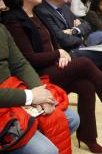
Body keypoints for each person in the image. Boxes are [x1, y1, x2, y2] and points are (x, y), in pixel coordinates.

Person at [2, 0, 102, 153]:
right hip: (37, 73)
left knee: (86, 85)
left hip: (54, 63)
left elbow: (56, 39)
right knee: (84, 63)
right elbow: (28, 58)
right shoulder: (14, 20)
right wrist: (58, 53)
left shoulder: (37, 12)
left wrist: (60, 53)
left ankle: (88, 136)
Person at [0, 23, 80, 154]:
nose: (3, 6)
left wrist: (40, 94)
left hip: (12, 91)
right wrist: (30, 96)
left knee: (72, 118)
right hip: (10, 98)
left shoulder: (2, 28)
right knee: (47, 151)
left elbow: (20, 64)